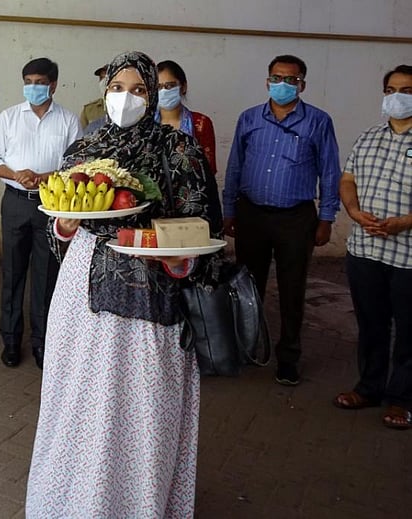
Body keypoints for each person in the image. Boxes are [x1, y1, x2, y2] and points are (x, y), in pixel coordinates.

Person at [26, 51, 220, 517]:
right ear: (104, 90)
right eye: (117, 88)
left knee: (142, 410)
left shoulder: (179, 149)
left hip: (152, 293)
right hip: (83, 291)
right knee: (78, 402)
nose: (125, 98)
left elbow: (203, 224)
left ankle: (137, 505)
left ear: (152, 95)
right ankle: (71, 502)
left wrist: (180, 260)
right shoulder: (82, 150)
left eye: (137, 89)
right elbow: (60, 230)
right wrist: (65, 229)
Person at [222, 54, 341, 386]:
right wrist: (229, 210)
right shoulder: (249, 119)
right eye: (277, 78)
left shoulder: (318, 121)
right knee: (248, 286)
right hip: (252, 214)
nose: (283, 85)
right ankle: (248, 348)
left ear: (302, 84)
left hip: (296, 219)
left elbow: (330, 171)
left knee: (292, 290)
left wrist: (327, 218)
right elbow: (235, 167)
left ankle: (288, 357)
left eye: (291, 79)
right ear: (267, 81)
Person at [0, 57, 81, 369]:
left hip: (51, 205)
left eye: (39, 82)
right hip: (15, 202)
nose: (33, 88)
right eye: (28, 82)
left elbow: (76, 166)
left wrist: (47, 176)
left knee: (46, 275)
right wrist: (15, 174)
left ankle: (42, 342)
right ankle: (10, 340)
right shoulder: (9, 117)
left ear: (53, 84)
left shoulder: (68, 120)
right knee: (12, 273)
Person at [334, 65, 412, 430]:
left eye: (407, 90)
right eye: (392, 89)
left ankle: (402, 401)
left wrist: (404, 222)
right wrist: (352, 211)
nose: (398, 97)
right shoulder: (369, 136)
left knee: (409, 331)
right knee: (371, 325)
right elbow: (348, 179)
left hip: (408, 255)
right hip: (365, 250)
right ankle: (369, 388)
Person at [156, 59, 217, 174]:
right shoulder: (146, 124)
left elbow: (209, 170)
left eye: (169, 86)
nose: (163, 91)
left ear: (183, 87)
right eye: (158, 87)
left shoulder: (200, 123)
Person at [79, 64, 107, 132]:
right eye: (101, 78)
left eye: (106, 77)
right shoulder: (89, 110)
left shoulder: (126, 108)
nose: (104, 81)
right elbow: (81, 137)